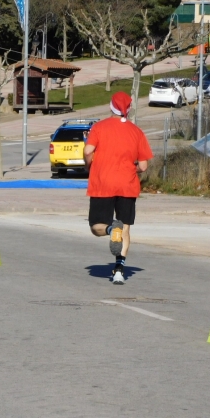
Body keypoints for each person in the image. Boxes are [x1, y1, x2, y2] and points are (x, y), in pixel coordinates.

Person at [83, 92, 153, 285]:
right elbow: (144, 166)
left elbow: (88, 151)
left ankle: (109, 229)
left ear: (110, 106)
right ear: (128, 109)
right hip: (127, 185)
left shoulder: (99, 127)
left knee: (96, 227)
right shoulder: (136, 132)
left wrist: (89, 164)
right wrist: (133, 169)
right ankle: (119, 271)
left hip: (102, 183)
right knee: (126, 230)